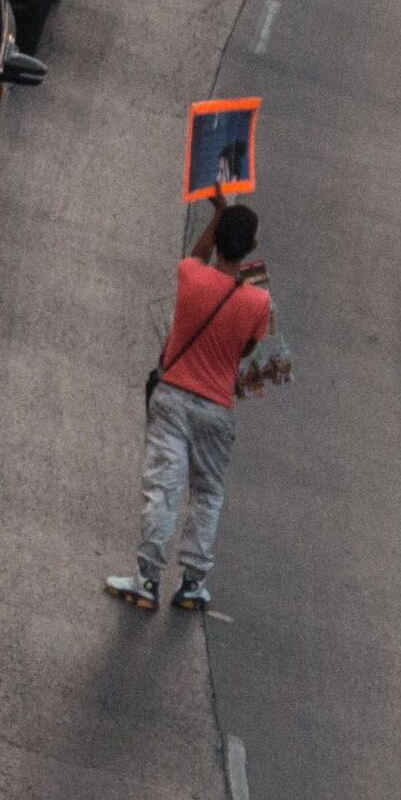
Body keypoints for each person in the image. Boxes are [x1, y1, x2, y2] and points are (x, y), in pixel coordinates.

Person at [109, 198, 280, 616]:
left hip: (171, 398)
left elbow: (195, 256)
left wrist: (217, 215)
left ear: (219, 239)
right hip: (216, 410)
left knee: (163, 490)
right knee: (207, 494)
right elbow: (246, 351)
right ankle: (192, 584)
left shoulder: (191, 277)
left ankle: (146, 581)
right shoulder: (258, 304)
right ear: (251, 246)